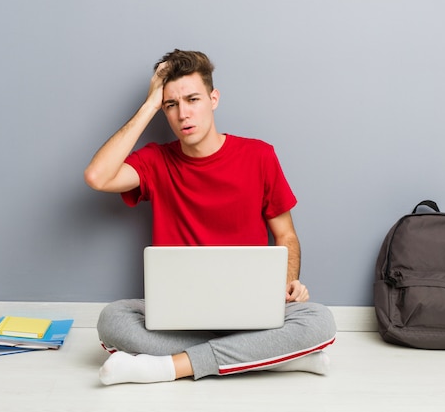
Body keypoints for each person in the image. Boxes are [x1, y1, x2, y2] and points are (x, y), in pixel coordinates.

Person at [84, 49, 336, 385]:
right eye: (171, 105)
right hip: (181, 318)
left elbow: (286, 235)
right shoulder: (156, 160)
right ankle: (266, 357)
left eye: (192, 99)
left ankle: (168, 367)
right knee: (112, 320)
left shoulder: (259, 155)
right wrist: (148, 105)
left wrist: (286, 285)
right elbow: (98, 177)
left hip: (253, 314)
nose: (183, 114)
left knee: (319, 320)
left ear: (213, 98)